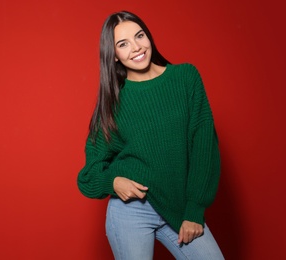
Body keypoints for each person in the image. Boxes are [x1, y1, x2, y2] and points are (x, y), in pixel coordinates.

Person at [77, 10, 224, 260]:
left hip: (180, 207)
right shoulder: (114, 104)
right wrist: (113, 182)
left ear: (148, 36)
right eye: (123, 44)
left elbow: (204, 147)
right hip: (131, 211)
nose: (136, 47)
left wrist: (194, 210)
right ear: (113, 56)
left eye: (139, 36)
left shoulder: (185, 78)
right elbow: (88, 176)